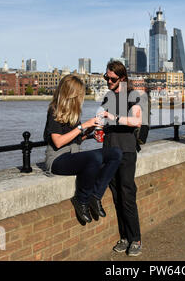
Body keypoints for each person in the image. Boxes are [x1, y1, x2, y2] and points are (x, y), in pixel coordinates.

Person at [43, 74, 123, 224]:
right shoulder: (54, 111)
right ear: (71, 94)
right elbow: (58, 142)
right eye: (80, 94)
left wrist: (89, 131)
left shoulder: (73, 113)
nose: (82, 97)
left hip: (73, 154)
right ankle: (81, 200)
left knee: (116, 153)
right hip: (57, 160)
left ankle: (95, 196)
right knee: (95, 158)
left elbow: (77, 139)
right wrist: (83, 126)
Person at [100, 60, 144, 257]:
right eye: (106, 78)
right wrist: (99, 130)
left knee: (127, 194)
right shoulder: (108, 97)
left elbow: (137, 121)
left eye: (112, 79)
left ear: (122, 79)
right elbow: (104, 120)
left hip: (126, 151)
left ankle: (135, 238)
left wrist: (115, 118)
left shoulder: (132, 97)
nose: (108, 81)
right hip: (109, 149)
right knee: (116, 195)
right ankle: (124, 236)